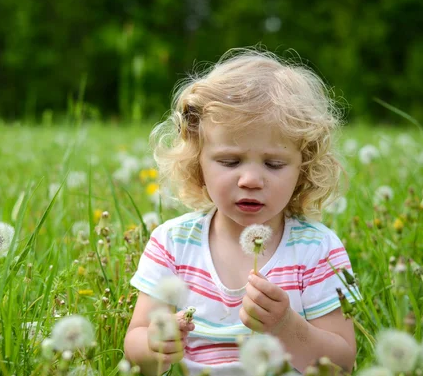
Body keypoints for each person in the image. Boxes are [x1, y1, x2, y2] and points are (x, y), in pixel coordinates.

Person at [123, 48, 358, 375]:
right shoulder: (172, 244)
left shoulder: (318, 250)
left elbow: (342, 362)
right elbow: (136, 342)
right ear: (198, 164)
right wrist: (155, 343)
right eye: (230, 162)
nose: (250, 180)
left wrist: (287, 327)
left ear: (302, 170)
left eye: (274, 164)